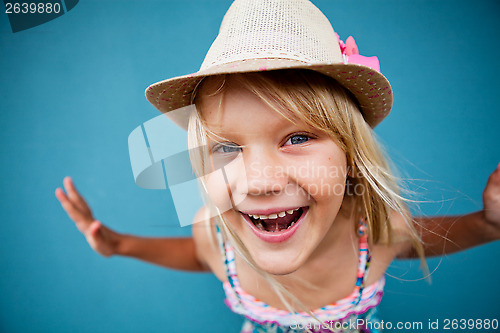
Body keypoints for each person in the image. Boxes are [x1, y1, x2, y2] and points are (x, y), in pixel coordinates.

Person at [55, 0, 500, 332]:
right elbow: (199, 254)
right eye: (226, 148)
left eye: (299, 137)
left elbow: (429, 236)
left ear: (351, 154)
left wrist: (487, 224)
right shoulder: (214, 232)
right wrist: (121, 245)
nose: (261, 182)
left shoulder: (376, 232)